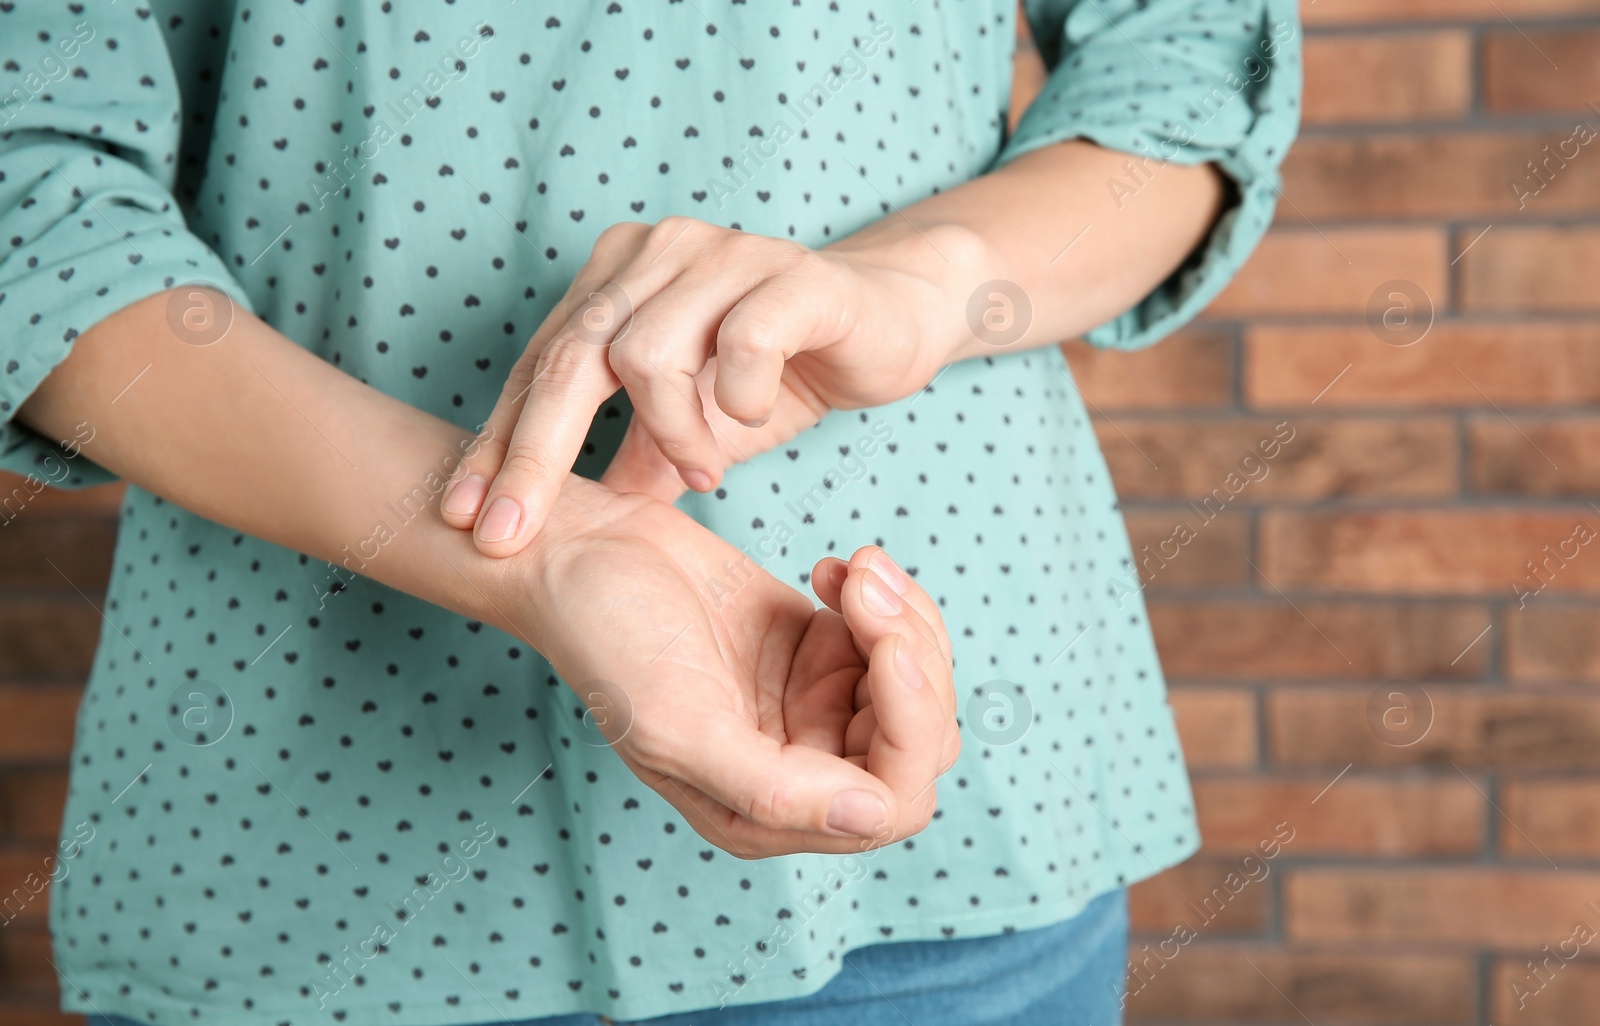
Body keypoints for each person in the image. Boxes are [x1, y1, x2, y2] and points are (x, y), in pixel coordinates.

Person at [0, 1, 1300, 1023]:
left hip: (941, 828)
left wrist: (916, 289)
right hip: (308, 847)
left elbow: (1187, 58)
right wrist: (536, 546)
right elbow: (30, 198)